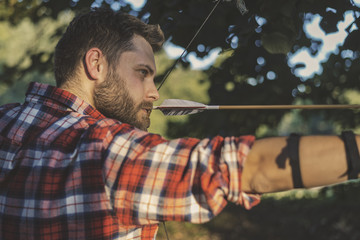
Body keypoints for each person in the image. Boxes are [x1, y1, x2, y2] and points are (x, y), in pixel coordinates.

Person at [0, 7, 359, 240]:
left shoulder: (7, 121)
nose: (154, 93)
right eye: (143, 73)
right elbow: (249, 165)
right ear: (97, 64)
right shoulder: (107, 153)